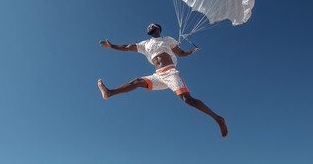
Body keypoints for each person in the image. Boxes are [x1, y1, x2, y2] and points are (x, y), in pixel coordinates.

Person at [98, 23, 228, 138]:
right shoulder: (145, 44)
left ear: (158, 29)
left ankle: (218, 119)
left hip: (170, 72)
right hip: (158, 75)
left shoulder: (168, 39)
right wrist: (112, 46)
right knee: (136, 82)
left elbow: (181, 53)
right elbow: (127, 46)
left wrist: (192, 51)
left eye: (152, 25)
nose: (149, 26)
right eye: (148, 26)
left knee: (187, 99)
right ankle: (110, 93)